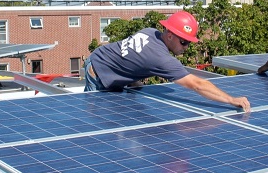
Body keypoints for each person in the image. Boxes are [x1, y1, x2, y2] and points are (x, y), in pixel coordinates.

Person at [84, 11, 251, 112]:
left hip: (102, 56)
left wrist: (133, 79)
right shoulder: (161, 59)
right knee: (97, 121)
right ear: (170, 36)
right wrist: (231, 100)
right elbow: (196, 84)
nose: (186, 47)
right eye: (183, 42)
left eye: (189, 43)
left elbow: (132, 55)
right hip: (98, 72)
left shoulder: (151, 32)